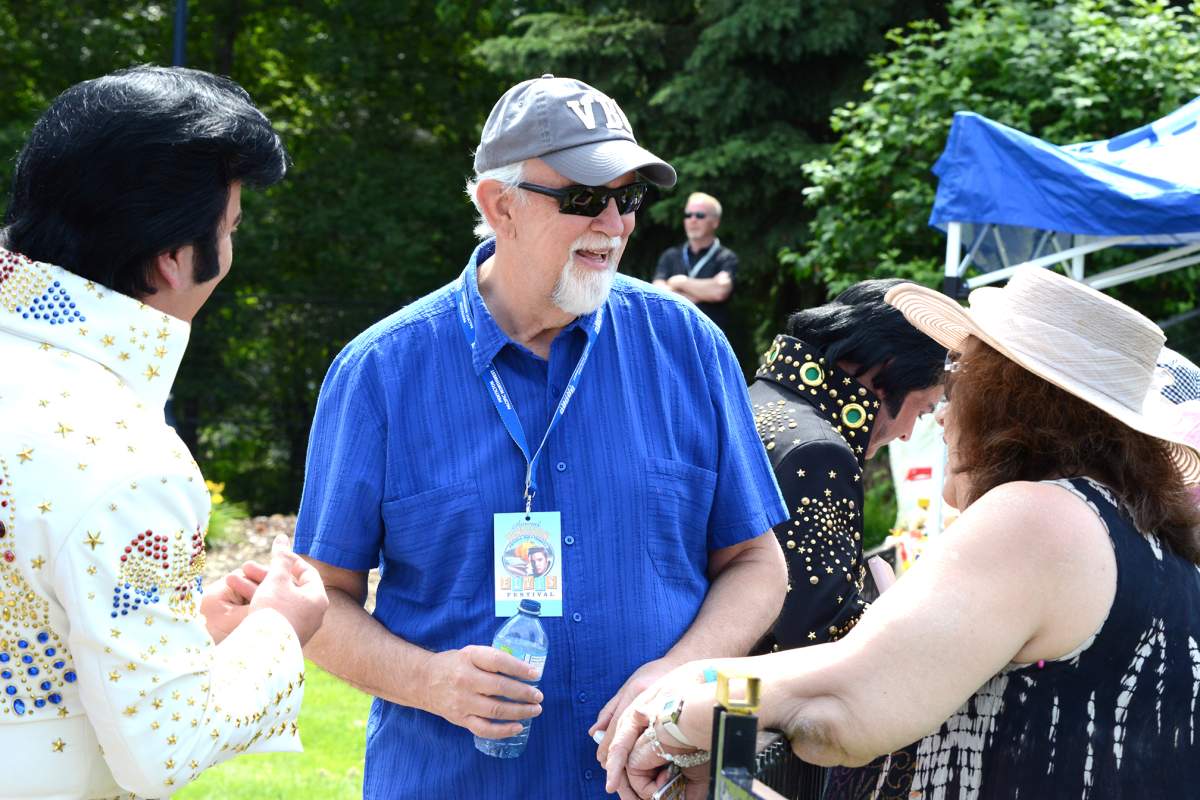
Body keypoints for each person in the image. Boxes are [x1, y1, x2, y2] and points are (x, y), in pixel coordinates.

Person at [293, 74, 788, 799]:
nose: (616, 225)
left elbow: (756, 563)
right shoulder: (380, 373)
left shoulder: (689, 346)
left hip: (656, 785)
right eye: (587, 198)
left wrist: (683, 670)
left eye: (630, 198)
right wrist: (429, 680)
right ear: (500, 205)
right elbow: (316, 602)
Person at [603, 265, 1200, 799]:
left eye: (959, 381)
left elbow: (840, 706)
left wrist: (674, 708)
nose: (939, 414)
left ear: (1007, 402)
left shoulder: (1043, 518)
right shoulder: (1143, 544)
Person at [0, 66, 329, 799]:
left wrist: (182, 627)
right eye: (231, 228)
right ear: (176, 258)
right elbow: (163, 745)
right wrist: (278, 629)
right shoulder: (127, 455)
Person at [749, 279, 945, 653]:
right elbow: (816, 635)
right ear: (886, 375)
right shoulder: (820, 452)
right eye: (922, 410)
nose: (906, 435)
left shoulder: (759, 399)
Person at [652, 193, 738, 336]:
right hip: (672, 335)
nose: (692, 220)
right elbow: (657, 293)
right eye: (688, 215)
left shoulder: (726, 257)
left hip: (710, 338)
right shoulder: (670, 256)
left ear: (715, 222)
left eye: (699, 215)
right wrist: (700, 293)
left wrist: (679, 282)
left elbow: (720, 291)